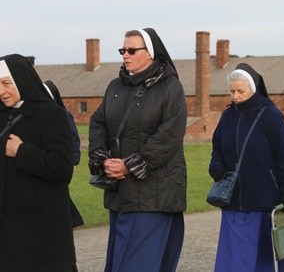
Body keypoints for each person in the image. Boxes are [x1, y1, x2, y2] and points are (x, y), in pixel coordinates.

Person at [89, 28, 187, 272]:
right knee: (120, 261)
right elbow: (98, 122)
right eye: (123, 50)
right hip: (121, 194)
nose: (126, 55)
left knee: (139, 265)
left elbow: (169, 135)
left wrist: (130, 164)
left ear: (151, 54)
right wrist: (103, 159)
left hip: (154, 195)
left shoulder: (170, 87)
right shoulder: (115, 87)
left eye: (132, 50)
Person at [209, 63, 284, 271]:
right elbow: (217, 149)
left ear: (253, 89)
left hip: (263, 199)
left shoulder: (271, 116)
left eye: (241, 91)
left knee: (263, 257)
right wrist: (216, 166)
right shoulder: (227, 116)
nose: (236, 96)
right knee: (234, 258)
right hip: (232, 199)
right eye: (232, 91)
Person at [0, 54, 77, 271]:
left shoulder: (51, 114)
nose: (1, 91)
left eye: (6, 83)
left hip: (41, 229)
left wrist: (22, 151)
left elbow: (63, 169)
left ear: (22, 79)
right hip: (8, 228)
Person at [43, 79, 84, 227]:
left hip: (63, 160)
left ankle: (70, 220)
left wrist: (74, 160)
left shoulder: (63, 114)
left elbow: (74, 138)